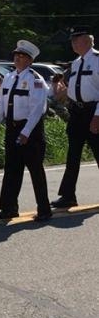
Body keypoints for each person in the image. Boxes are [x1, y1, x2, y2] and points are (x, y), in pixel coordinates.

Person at [0, 40, 52, 222]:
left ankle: (44, 209)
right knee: (11, 169)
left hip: (30, 130)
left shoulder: (35, 80)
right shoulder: (9, 78)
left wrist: (26, 132)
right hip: (12, 127)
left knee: (35, 170)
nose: (17, 58)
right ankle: (9, 208)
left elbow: (37, 109)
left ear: (30, 60)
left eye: (22, 56)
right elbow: (1, 102)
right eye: (16, 55)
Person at [51, 26, 99, 209]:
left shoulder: (97, 60)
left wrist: (97, 116)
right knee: (73, 155)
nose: (72, 43)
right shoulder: (76, 63)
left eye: (75, 39)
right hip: (77, 113)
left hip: (93, 111)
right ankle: (68, 195)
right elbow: (72, 89)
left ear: (86, 40)